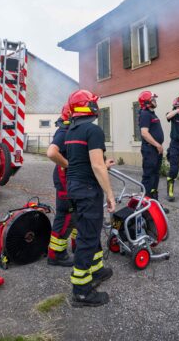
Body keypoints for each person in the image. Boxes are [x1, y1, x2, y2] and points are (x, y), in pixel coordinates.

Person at [64, 89, 115, 307]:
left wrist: (104, 166)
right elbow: (95, 164)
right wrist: (111, 194)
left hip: (75, 189)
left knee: (90, 233)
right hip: (87, 191)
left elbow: (83, 162)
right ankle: (81, 291)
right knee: (87, 237)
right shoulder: (93, 131)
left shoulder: (71, 131)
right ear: (89, 107)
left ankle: (96, 271)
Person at [45, 103, 76, 266]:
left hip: (69, 180)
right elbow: (51, 152)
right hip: (65, 181)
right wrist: (68, 164)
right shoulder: (64, 132)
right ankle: (56, 254)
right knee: (65, 216)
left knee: (75, 214)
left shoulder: (71, 130)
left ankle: (75, 247)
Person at [137, 91, 164, 200]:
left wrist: (158, 146)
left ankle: (154, 203)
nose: (155, 101)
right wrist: (157, 145)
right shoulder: (145, 114)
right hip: (150, 149)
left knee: (155, 175)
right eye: (153, 99)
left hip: (156, 149)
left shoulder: (152, 113)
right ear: (147, 102)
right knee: (148, 177)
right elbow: (144, 133)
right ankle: (145, 204)